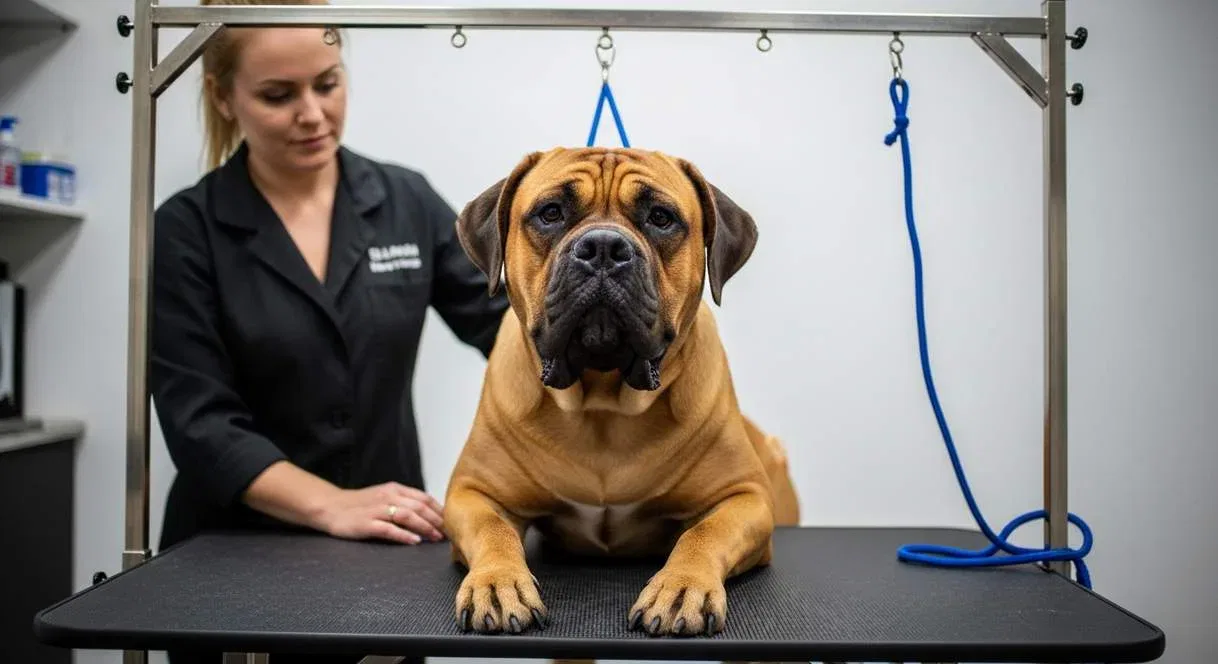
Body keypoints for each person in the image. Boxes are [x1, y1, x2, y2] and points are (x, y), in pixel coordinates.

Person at [149, 1, 509, 659]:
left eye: (327, 83)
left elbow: (508, 330)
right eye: (278, 95)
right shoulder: (188, 229)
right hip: (231, 552)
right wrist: (331, 504)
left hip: (385, 553)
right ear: (223, 97)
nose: (313, 114)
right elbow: (199, 422)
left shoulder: (404, 201)